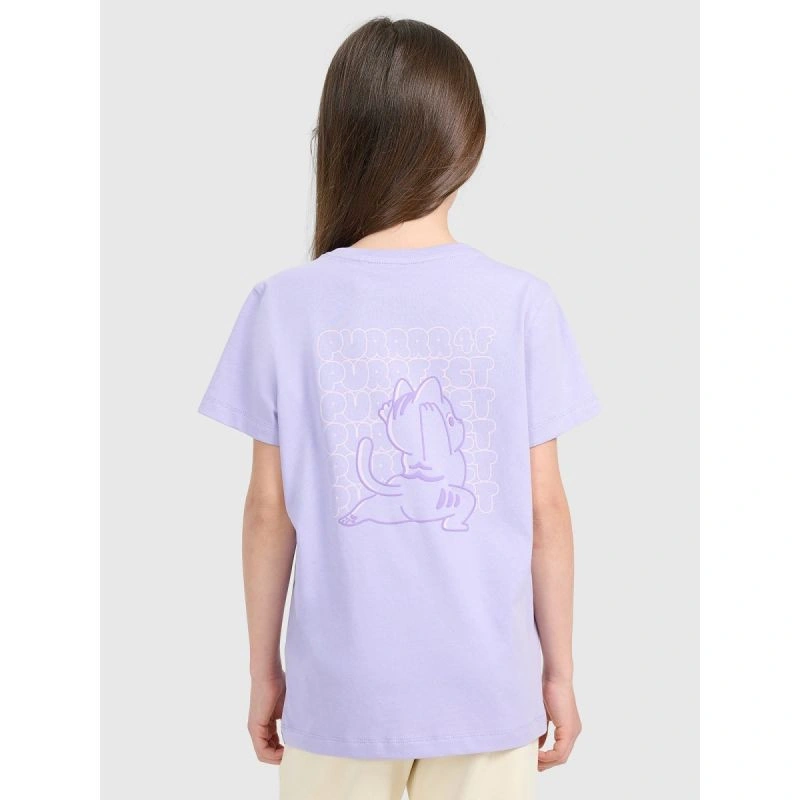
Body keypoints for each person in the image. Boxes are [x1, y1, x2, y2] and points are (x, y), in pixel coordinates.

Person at [199, 16, 600, 800]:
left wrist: (263, 672)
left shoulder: (284, 306)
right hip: (487, 693)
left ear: (337, 143)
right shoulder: (521, 305)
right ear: (467, 143)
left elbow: (267, 514)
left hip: (340, 697)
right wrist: (558, 673)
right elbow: (546, 509)